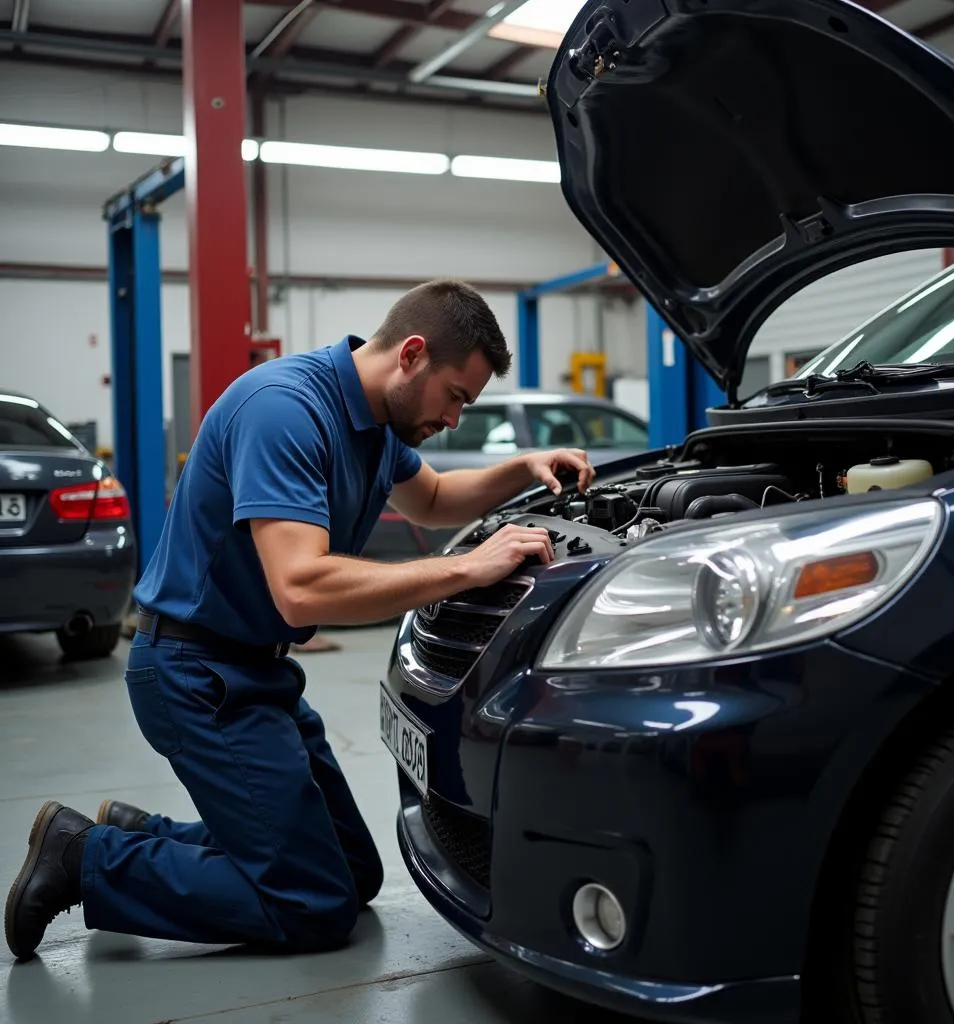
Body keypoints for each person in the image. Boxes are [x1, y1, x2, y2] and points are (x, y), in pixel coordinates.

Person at [5, 278, 594, 961]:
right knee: (312, 904)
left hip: (253, 672)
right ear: (411, 355)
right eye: (456, 397)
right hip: (197, 677)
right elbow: (301, 589)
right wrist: (467, 568)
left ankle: (141, 833)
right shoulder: (285, 409)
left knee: (353, 869)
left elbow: (431, 496)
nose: (456, 418)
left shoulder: (376, 421)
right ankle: (87, 856)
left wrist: (523, 467)